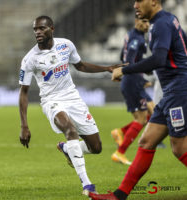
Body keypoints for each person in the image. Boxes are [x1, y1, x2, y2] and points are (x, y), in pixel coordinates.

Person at [89, 0, 187, 199]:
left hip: (179, 90)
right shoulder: (167, 20)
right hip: (171, 91)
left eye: (139, 0)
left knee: (179, 148)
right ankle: (119, 195)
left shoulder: (160, 24)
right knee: (146, 142)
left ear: (153, 1)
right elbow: (167, 57)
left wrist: (124, 70)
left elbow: (159, 59)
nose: (134, 5)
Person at [18, 15, 123, 196]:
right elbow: (23, 92)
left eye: (42, 28)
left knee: (96, 148)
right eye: (35, 29)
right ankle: (87, 184)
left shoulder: (66, 45)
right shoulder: (30, 59)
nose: (38, 32)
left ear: (52, 28)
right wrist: (24, 125)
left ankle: (67, 148)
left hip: (73, 98)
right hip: (52, 101)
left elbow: (80, 66)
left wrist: (106, 68)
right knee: (69, 130)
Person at [110, 16, 155, 165]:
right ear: (136, 21)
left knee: (153, 112)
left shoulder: (130, 34)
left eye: (148, 22)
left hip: (132, 80)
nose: (146, 25)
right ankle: (119, 152)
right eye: (144, 22)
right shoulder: (138, 39)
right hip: (133, 81)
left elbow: (122, 56)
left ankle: (121, 132)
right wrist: (140, 79)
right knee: (142, 119)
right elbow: (129, 60)